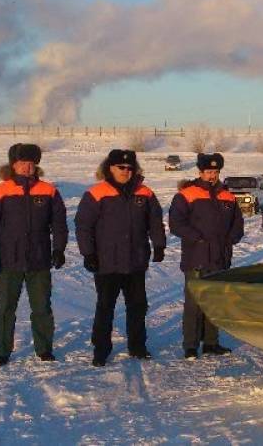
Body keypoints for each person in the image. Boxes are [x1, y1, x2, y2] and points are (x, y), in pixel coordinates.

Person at [75, 149, 167, 367]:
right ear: (110, 168)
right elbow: (83, 226)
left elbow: (155, 221)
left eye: (129, 168)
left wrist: (159, 245)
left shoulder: (145, 193)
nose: (126, 171)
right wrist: (88, 253)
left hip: (136, 261)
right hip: (107, 262)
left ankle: (137, 346)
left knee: (138, 306)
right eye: (121, 167)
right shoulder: (97, 193)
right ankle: (101, 349)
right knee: (105, 307)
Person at [0, 143, 67, 366]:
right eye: (22, 163)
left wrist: (59, 249)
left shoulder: (48, 191)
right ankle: (2, 351)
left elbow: (59, 224)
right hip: (8, 260)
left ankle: (44, 349)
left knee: (42, 307)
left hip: (39, 259)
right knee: (6, 307)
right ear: (13, 165)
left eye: (31, 163)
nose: (27, 167)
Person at [169, 152, 243, 359]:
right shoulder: (187, 194)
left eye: (215, 171)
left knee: (214, 301)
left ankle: (211, 342)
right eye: (208, 171)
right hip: (196, 257)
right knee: (194, 303)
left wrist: (231, 239)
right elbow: (176, 223)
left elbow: (237, 223)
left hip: (220, 257)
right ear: (200, 172)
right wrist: (197, 237)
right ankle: (190, 345)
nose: (212, 175)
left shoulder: (227, 196)